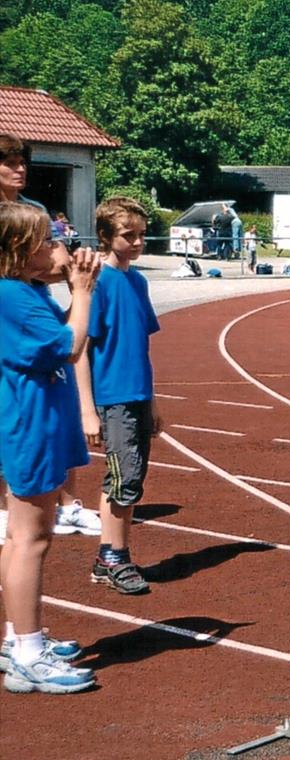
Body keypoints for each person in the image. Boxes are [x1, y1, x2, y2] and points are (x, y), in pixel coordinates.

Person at [0, 202, 100, 694]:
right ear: (18, 252)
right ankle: (28, 652)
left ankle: (17, 639)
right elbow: (71, 346)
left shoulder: (24, 290)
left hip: (34, 421)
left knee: (20, 536)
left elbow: (58, 332)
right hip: (30, 426)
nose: (57, 248)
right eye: (45, 241)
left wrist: (72, 290)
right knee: (31, 539)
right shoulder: (11, 295)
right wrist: (80, 291)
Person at [0, 135, 97, 536]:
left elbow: (50, 262)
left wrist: (69, 276)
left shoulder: (34, 209)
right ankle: (12, 509)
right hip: (13, 313)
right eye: (9, 162)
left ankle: (67, 502)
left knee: (57, 407)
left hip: (33, 302)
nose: (19, 168)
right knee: (20, 412)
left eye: (22, 161)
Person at [78, 197, 163, 596]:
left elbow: (142, 347)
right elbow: (80, 351)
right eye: (129, 236)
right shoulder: (100, 284)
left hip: (138, 394)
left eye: (142, 235)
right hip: (112, 398)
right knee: (122, 478)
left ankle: (108, 556)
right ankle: (115, 556)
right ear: (107, 238)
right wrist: (87, 413)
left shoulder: (138, 281)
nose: (138, 242)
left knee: (130, 478)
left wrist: (154, 401)